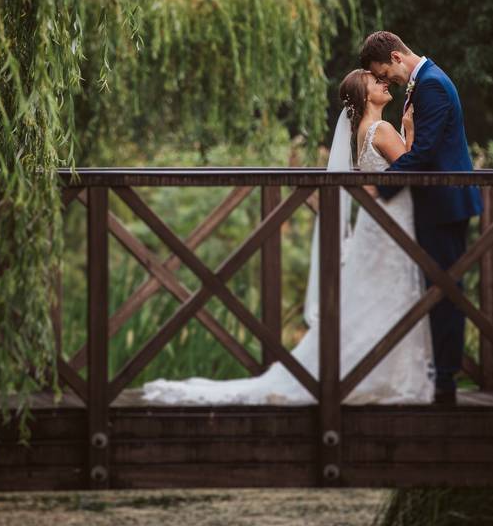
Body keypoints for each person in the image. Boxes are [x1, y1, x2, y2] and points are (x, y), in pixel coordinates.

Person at [141, 69, 435, 405]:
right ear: (364, 95)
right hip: (390, 224)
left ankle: (367, 372)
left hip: (375, 225)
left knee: (373, 300)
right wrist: (410, 132)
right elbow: (412, 170)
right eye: (375, 81)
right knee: (386, 299)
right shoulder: (382, 129)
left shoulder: (364, 133)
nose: (384, 83)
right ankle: (380, 374)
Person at [359, 30, 482, 405]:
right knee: (438, 289)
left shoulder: (431, 85)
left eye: (385, 73)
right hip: (437, 204)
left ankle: (445, 381)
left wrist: (381, 187)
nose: (388, 81)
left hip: (444, 204)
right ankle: (438, 374)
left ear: (397, 57)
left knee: (445, 291)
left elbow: (425, 152)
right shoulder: (427, 82)